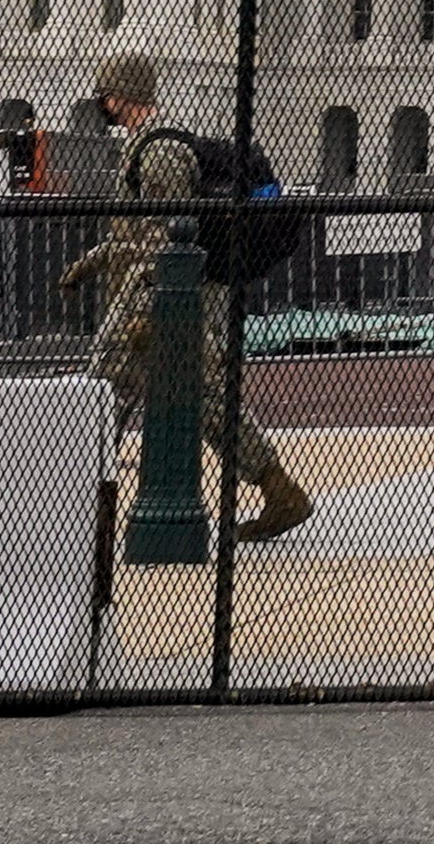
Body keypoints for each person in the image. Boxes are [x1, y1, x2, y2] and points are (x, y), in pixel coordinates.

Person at [62, 53, 311, 543]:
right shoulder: (152, 146)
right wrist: (97, 259)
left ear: (122, 97)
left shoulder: (156, 153)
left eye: (107, 95)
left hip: (158, 295)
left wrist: (139, 290)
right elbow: (149, 230)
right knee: (204, 397)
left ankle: (70, 497)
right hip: (165, 291)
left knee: (106, 389)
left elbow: (170, 234)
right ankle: (279, 489)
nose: (103, 105)